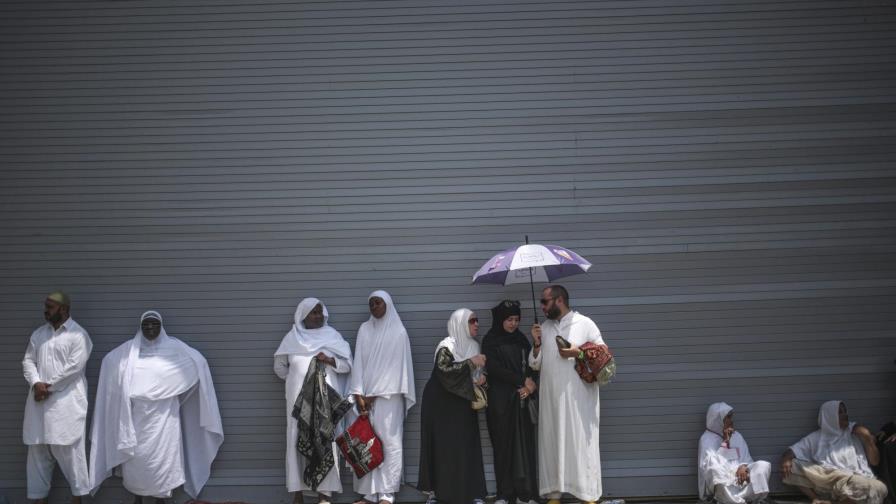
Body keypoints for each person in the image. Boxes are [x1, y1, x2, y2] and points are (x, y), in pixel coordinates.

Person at [89, 311, 224, 502]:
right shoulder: (127, 354)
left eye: (154, 324)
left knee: (164, 462)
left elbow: (198, 363)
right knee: (137, 462)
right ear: (140, 327)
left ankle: (161, 499)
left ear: (161, 327)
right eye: (146, 324)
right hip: (136, 420)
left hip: (166, 421)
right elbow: (110, 363)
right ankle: (137, 498)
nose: (150, 328)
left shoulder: (176, 351)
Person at [529, 285, 604, 504]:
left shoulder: (585, 324)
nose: (542, 307)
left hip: (579, 402)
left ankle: (588, 496)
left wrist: (578, 352)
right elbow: (535, 364)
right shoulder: (544, 328)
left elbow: (604, 357)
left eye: (545, 302)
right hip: (551, 402)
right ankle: (554, 495)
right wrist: (536, 344)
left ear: (559, 300)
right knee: (553, 445)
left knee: (581, 446)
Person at [274, 298, 353, 504]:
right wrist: (297, 381)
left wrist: (329, 360)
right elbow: (279, 367)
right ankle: (297, 493)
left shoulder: (332, 336)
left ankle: (324, 495)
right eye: (313, 312)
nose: (317, 316)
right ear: (303, 315)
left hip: (325, 403)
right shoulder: (292, 338)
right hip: (298, 403)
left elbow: (347, 366)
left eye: (319, 312)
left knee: (325, 440)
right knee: (296, 441)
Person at [22, 291, 93, 504]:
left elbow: (74, 368)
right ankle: (39, 500)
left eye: (50, 307)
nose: (45, 310)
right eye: (45, 306)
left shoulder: (79, 335)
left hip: (66, 405)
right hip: (39, 403)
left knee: (71, 454)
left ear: (63, 309)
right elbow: (28, 361)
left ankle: (77, 499)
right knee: (38, 453)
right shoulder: (38, 334)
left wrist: (47, 387)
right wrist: (36, 383)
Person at [347, 291, 416, 504]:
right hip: (364, 397)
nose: (374, 307)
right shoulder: (364, 329)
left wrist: (374, 395)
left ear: (387, 305)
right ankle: (369, 494)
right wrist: (358, 393)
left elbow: (398, 370)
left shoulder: (398, 332)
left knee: (389, 442)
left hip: (388, 398)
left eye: (378, 303)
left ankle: (387, 493)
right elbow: (358, 362)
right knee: (365, 442)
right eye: (371, 304)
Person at [418, 308, 488, 504]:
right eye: (471, 321)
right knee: (442, 448)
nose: (477, 324)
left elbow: (473, 376)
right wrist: (470, 363)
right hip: (440, 406)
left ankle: (471, 493)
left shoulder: (474, 346)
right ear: (460, 324)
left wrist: (481, 378)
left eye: (477, 320)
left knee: (466, 446)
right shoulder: (446, 346)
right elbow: (444, 370)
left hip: (462, 404)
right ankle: (437, 493)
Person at [482, 300, 538, 504]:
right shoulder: (490, 340)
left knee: (524, 446)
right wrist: (521, 380)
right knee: (503, 447)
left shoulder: (521, 339)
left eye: (516, 319)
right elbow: (494, 369)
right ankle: (504, 494)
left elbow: (531, 366)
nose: (513, 324)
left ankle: (526, 494)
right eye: (509, 319)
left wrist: (529, 386)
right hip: (499, 403)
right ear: (500, 320)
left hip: (521, 401)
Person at [781, 400, 887, 504]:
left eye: (845, 411)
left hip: (851, 481)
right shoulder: (817, 437)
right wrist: (786, 459)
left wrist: (867, 438)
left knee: (880, 488)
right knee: (793, 465)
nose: (845, 415)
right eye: (840, 412)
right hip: (828, 481)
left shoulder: (853, 433)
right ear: (829, 416)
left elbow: (875, 462)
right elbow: (791, 451)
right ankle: (816, 499)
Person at [697, 402, 771, 504]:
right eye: (728, 417)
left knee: (763, 465)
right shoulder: (706, 439)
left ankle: (749, 498)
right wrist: (725, 442)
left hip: (740, 478)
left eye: (731, 417)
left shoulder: (737, 435)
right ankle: (731, 500)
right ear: (717, 419)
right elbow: (710, 467)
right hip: (724, 482)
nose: (731, 420)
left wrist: (743, 466)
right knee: (714, 467)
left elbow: (746, 458)